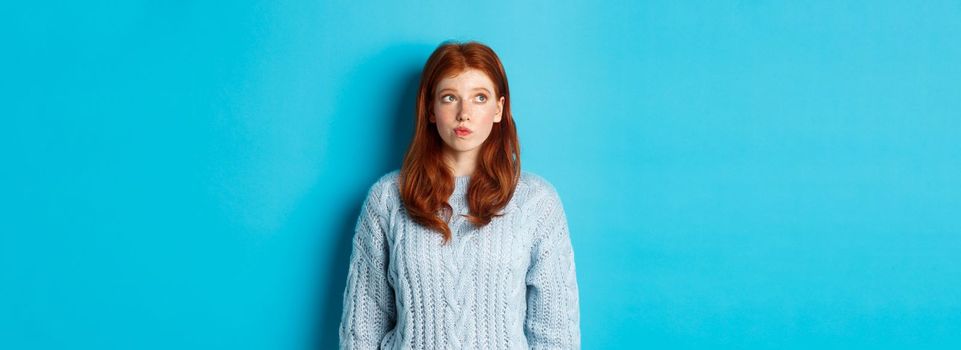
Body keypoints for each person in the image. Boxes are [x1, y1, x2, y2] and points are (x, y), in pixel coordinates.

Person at [338, 40, 580, 349]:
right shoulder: (387, 199)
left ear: (498, 109)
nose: (463, 113)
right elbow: (361, 330)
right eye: (450, 97)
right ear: (430, 109)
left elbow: (556, 335)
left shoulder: (537, 203)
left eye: (479, 97)